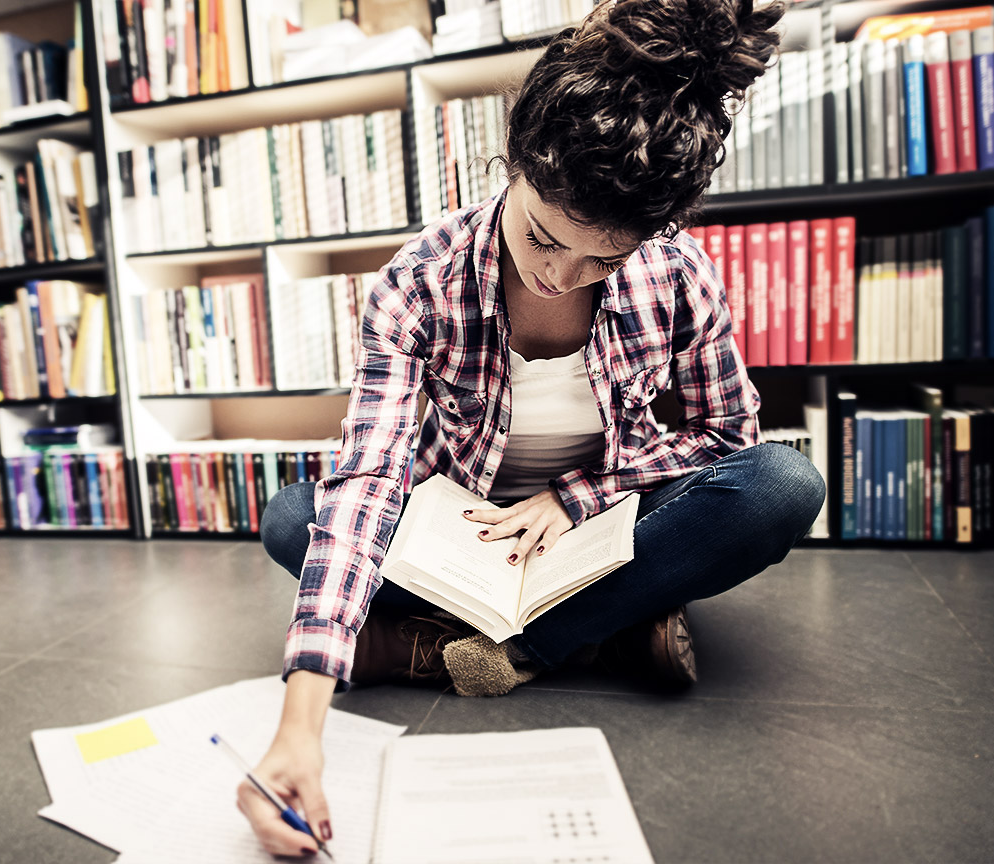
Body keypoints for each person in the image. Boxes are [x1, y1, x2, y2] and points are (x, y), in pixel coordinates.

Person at [244, 0, 822, 854]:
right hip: (465, 532)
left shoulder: (679, 272)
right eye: (543, 237)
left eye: (604, 258)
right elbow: (368, 478)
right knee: (297, 517)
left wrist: (577, 495)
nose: (560, 276)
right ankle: (611, 633)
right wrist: (301, 723)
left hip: (607, 526)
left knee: (783, 484)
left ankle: (485, 649)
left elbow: (727, 438)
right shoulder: (420, 280)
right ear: (514, 163)